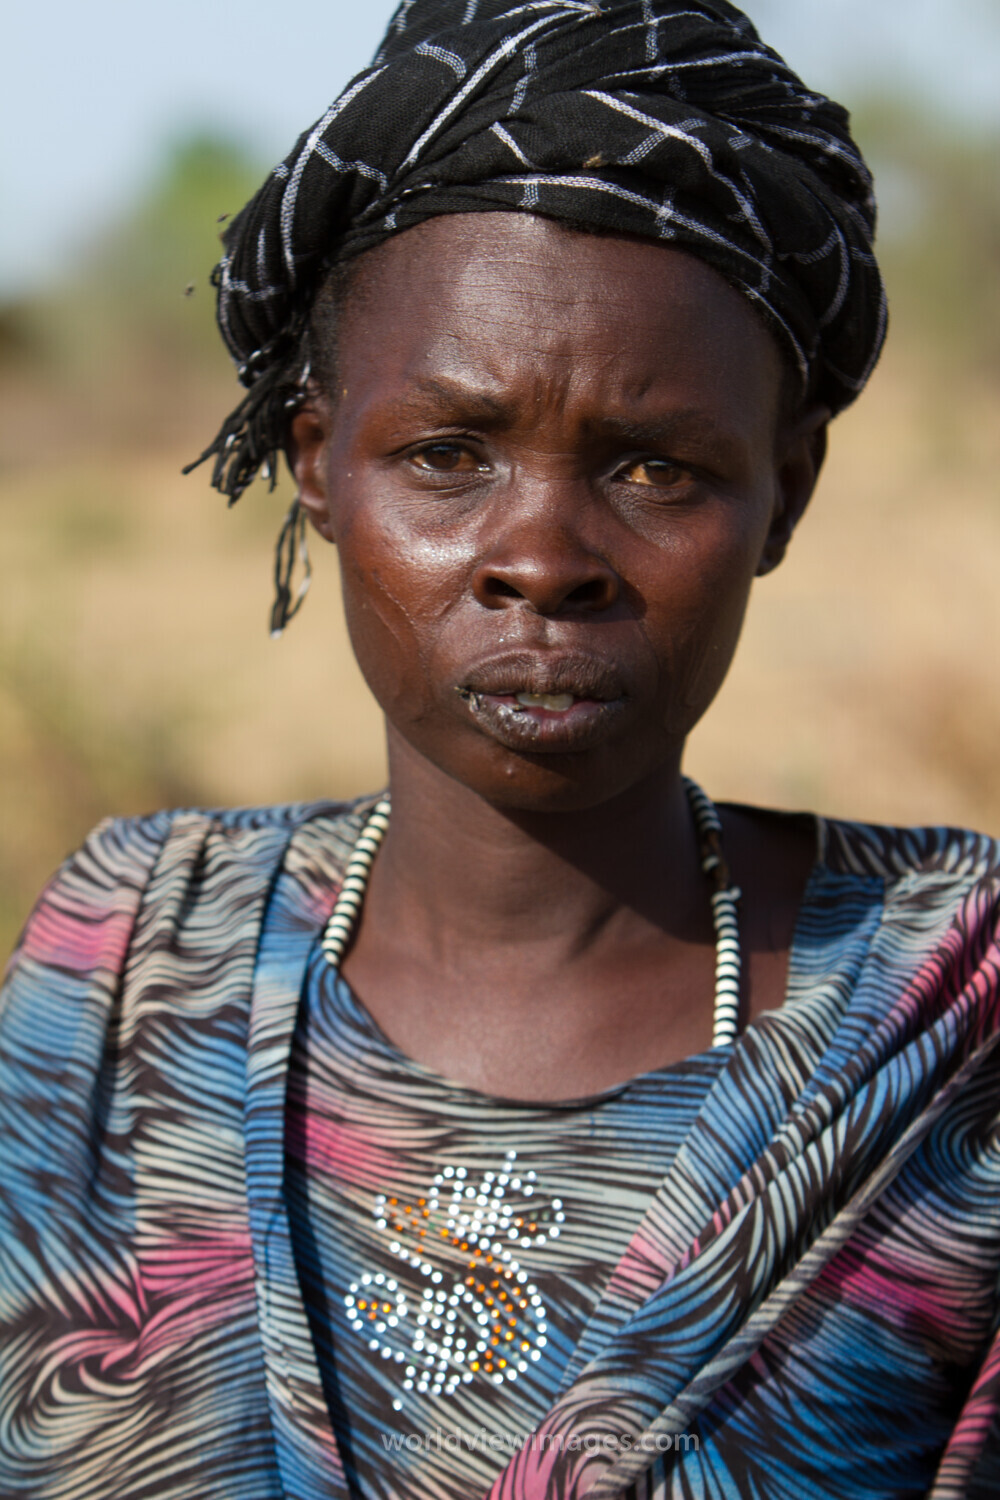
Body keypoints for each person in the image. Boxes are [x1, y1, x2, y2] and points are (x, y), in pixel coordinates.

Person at [1, 2, 998, 1497]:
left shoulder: (948, 1014)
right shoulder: (130, 959)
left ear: (784, 493)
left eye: (657, 468)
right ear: (315, 466)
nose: (542, 557)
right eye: (446, 458)